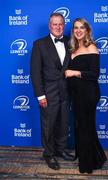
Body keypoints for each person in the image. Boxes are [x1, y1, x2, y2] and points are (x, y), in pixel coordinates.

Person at [30, 12, 74, 170]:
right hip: (48, 93)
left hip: (66, 92)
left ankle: (60, 150)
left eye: (60, 24)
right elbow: (35, 72)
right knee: (48, 125)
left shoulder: (70, 41)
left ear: (64, 24)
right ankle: (48, 154)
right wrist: (40, 95)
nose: (58, 27)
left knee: (63, 123)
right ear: (50, 26)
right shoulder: (39, 44)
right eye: (55, 24)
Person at [65, 18, 107, 173]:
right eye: (76, 27)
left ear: (87, 30)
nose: (78, 30)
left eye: (82, 27)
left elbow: (95, 74)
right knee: (83, 126)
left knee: (85, 127)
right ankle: (96, 157)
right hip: (77, 94)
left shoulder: (92, 47)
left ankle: (87, 164)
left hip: (88, 94)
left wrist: (74, 72)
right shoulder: (73, 48)